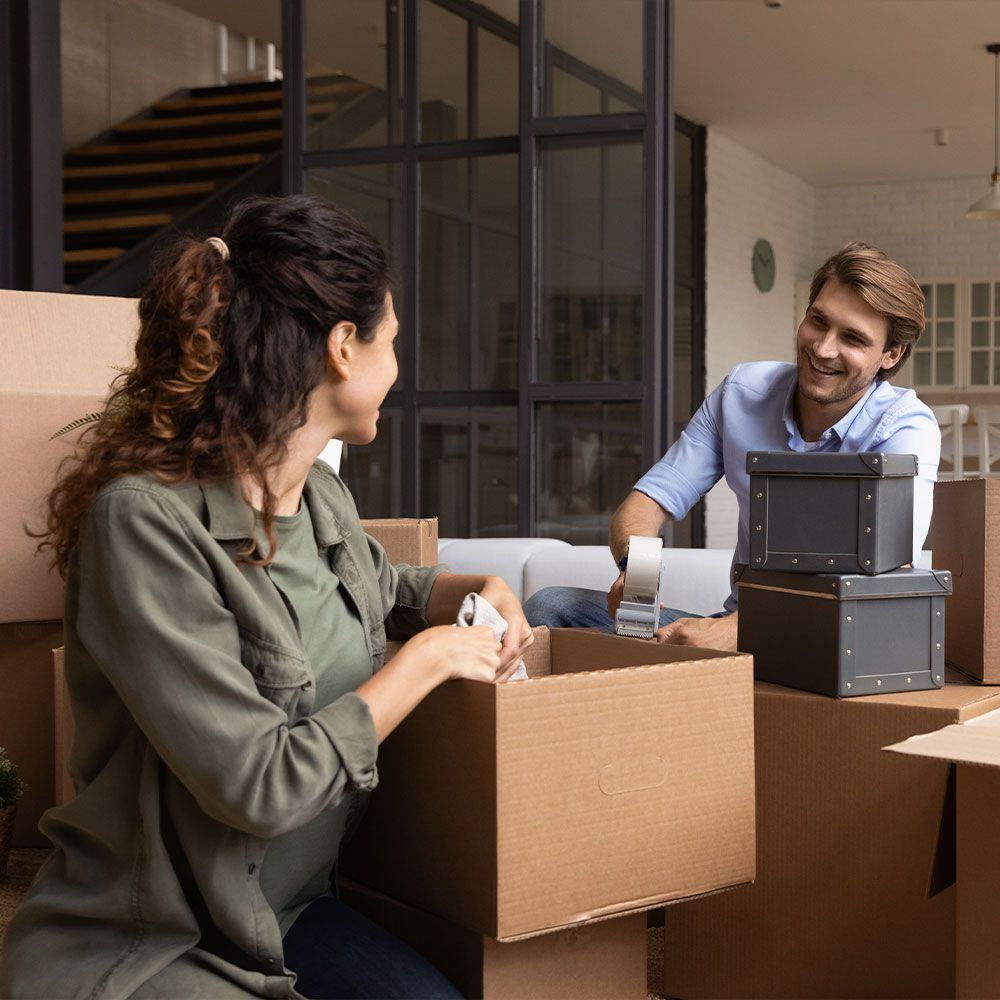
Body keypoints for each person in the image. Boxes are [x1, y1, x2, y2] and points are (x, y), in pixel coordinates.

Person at [0, 195, 532, 1000]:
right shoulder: (142, 523)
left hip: (284, 912)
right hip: (154, 937)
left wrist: (480, 589)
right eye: (394, 342)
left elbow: (384, 591)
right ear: (342, 348)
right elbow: (258, 785)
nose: (399, 367)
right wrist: (426, 661)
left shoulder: (319, 496)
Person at [524, 241, 941, 652]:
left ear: (891, 354)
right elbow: (646, 504)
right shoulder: (741, 394)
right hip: (738, 624)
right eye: (818, 320)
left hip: (837, 636)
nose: (823, 348)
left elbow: (889, 574)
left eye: (852, 337)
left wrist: (747, 629)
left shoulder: (904, 427)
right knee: (553, 606)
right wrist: (639, 579)